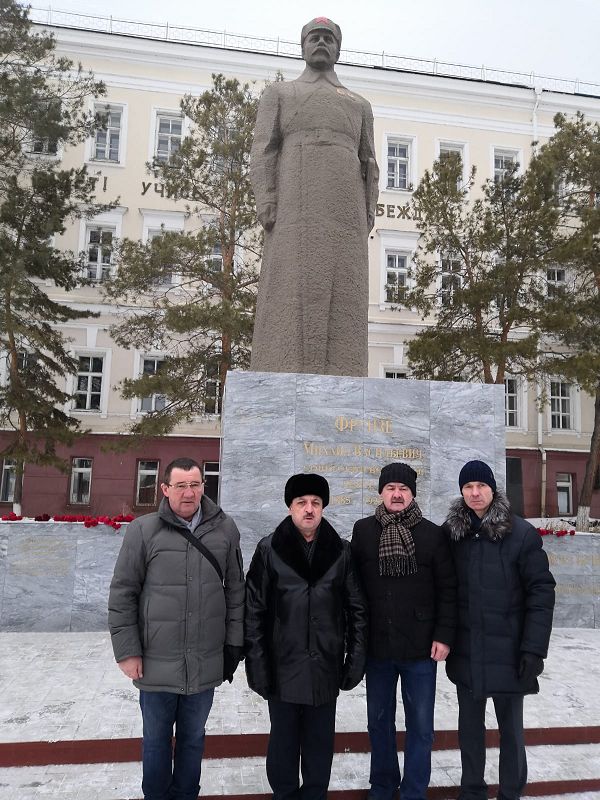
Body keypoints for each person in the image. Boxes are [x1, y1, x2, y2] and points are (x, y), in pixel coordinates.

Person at [108, 457, 245, 800]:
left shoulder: (225, 529)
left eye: (195, 485)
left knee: (193, 739)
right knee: (155, 741)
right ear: (165, 489)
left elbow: (236, 591)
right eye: (180, 485)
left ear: (203, 487)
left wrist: (234, 645)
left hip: (203, 660)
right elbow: (123, 592)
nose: (188, 492)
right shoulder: (143, 530)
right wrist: (127, 651)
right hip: (156, 662)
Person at [249, 17, 379, 377]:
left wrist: (367, 211)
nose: (321, 43)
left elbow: (369, 161)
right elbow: (263, 150)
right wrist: (267, 199)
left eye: (328, 38)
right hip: (294, 207)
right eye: (314, 37)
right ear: (303, 46)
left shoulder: (358, 105)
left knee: (345, 294)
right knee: (289, 290)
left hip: (345, 215)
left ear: (338, 49)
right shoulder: (280, 94)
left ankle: (343, 371)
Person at [244, 473, 368, 800]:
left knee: (319, 748)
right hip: (282, 669)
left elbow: (357, 610)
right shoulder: (269, 549)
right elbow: (254, 612)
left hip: (325, 668)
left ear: (323, 507)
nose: (309, 509)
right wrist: (257, 666)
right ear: (290, 507)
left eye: (315, 502)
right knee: (283, 747)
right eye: (301, 502)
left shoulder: (341, 552)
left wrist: (355, 661)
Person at [443, 460, 555, 800]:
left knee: (511, 732)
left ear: (493, 489)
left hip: (509, 654)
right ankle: (472, 791)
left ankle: (510, 793)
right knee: (470, 731)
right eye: (468, 487)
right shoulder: (452, 535)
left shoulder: (520, 534)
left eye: (481, 486)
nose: (475, 493)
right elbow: (444, 590)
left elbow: (541, 592)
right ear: (461, 492)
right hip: (467, 652)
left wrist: (533, 649)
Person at [351, 463, 457, 800]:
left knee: (421, 727)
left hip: (420, 649)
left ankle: (413, 791)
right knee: (379, 723)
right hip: (378, 647)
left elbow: (448, 589)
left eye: (404, 489)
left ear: (412, 494)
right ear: (381, 492)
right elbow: (354, 586)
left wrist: (444, 635)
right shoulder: (364, 530)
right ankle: (383, 786)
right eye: (391, 488)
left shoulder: (433, 534)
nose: (397, 494)